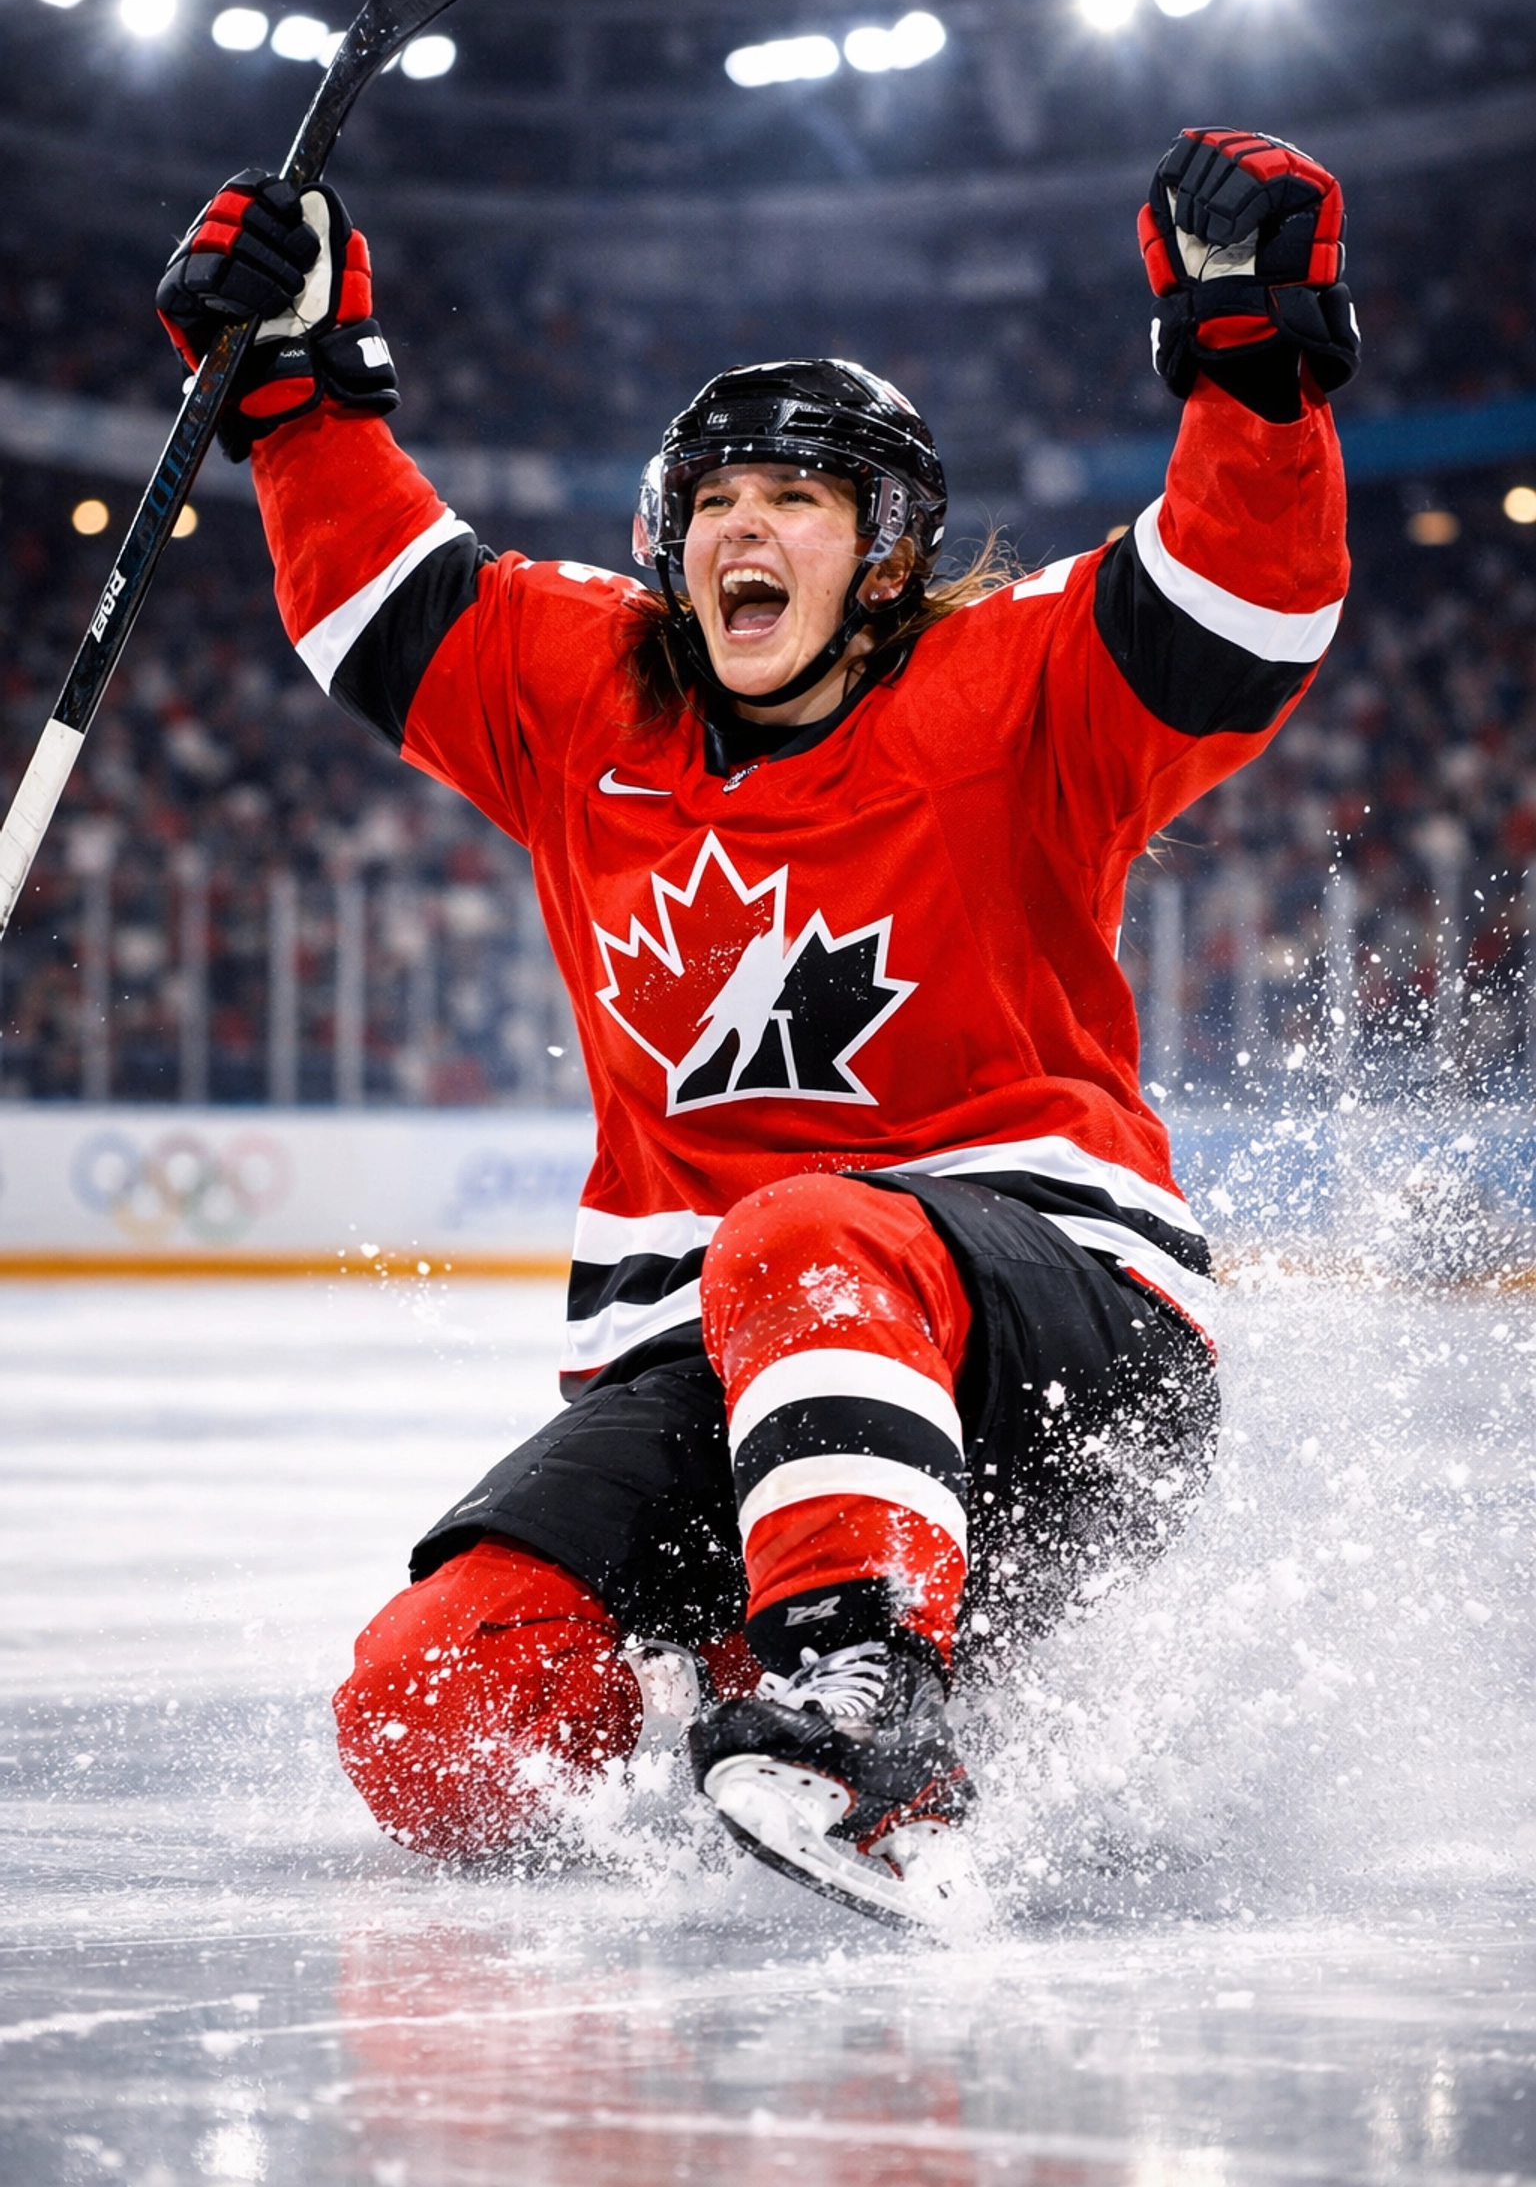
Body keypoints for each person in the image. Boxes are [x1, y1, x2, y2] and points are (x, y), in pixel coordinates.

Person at [156, 127, 1355, 1924]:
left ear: (883, 556)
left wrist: (1253, 370)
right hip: (726, 1358)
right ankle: (765, 1677)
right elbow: (382, 606)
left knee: (806, 1230)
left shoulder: (1010, 687)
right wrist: (292, 388)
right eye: (714, 498)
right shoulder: (586, 701)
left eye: (797, 497)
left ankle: (861, 1691)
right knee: (436, 1707)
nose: (744, 526)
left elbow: (1241, 614)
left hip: (1057, 1335)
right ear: (665, 540)